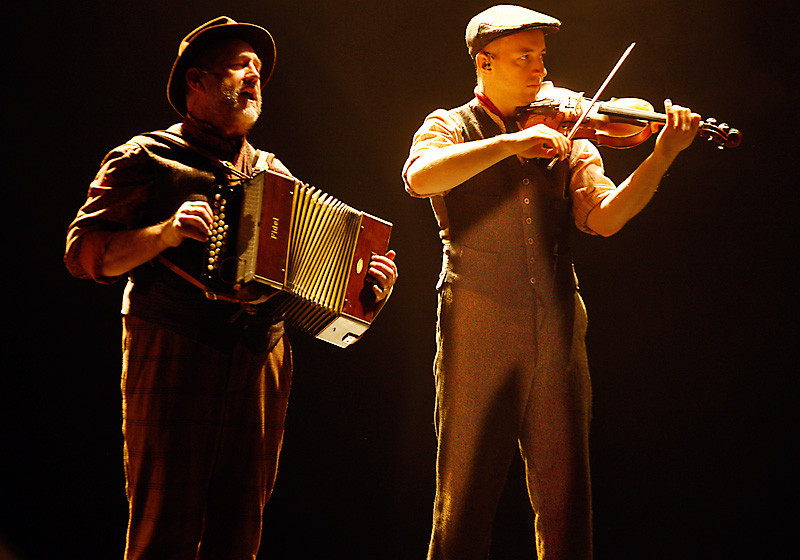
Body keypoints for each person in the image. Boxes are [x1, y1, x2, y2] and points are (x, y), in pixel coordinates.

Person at [64, 17, 397, 559]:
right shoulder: (144, 157)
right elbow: (82, 256)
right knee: (164, 519)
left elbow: (311, 291)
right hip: (176, 344)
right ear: (196, 80)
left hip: (259, 357)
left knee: (240, 523)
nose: (254, 78)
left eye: (259, 71)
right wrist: (163, 234)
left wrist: (368, 294)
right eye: (241, 66)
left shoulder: (271, 172)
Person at [402, 5, 699, 559]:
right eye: (524, 58)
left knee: (567, 500)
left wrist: (662, 156)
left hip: (558, 322)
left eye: (541, 57)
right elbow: (421, 177)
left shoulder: (571, 134)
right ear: (484, 63)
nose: (539, 71)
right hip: (477, 321)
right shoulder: (449, 124)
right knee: (463, 498)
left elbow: (604, 218)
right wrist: (511, 144)